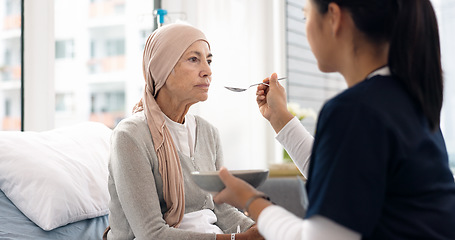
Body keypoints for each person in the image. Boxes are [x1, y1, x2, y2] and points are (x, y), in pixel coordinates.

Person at [214, 0, 455, 239]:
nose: (306, 27)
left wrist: (251, 199)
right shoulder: (406, 100)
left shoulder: (355, 110)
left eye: (305, 16)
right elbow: (345, 180)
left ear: (334, 17)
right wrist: (280, 119)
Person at [105, 23, 264, 240]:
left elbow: (223, 210)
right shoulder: (130, 136)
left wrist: (262, 228)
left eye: (208, 60)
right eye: (193, 59)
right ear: (162, 67)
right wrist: (238, 239)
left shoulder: (209, 133)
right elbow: (151, 234)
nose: (208, 71)